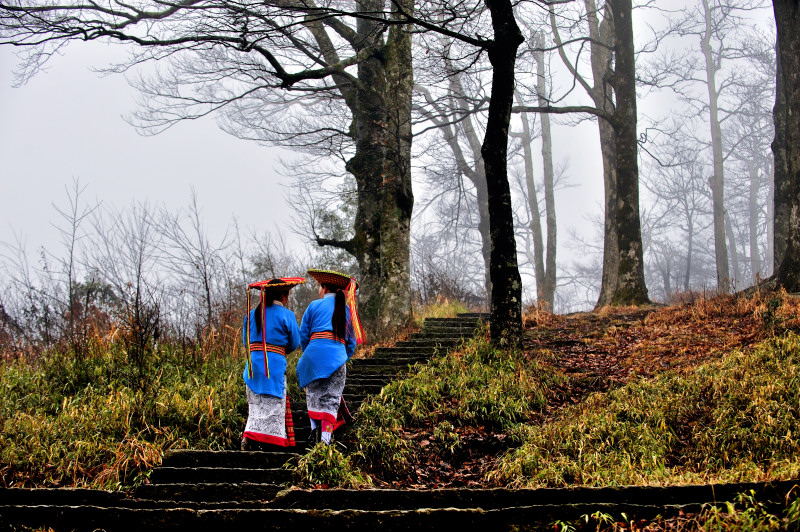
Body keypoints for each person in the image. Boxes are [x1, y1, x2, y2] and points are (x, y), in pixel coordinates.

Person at [297, 269, 365, 445]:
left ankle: (313, 431)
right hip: (336, 358)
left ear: (325, 288)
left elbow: (303, 335)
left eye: (320, 288)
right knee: (331, 398)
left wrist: (310, 353)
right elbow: (351, 342)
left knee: (313, 395)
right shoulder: (347, 309)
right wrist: (343, 357)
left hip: (312, 357)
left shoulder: (313, 306)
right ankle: (326, 439)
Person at [241, 277, 305, 450]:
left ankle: (249, 436)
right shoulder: (287, 315)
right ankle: (271, 442)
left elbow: (245, 342)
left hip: (253, 366)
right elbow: (294, 342)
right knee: (273, 405)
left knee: (255, 405)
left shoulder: (251, 314)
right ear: (284, 296)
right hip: (273, 366)